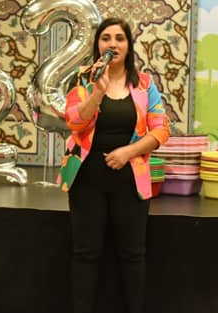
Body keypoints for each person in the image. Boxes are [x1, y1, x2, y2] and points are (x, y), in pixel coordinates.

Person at [57, 17, 170, 313]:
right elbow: (74, 122)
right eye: (106, 38)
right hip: (87, 178)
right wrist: (97, 91)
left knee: (132, 254)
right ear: (98, 44)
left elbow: (161, 130)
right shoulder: (83, 79)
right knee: (85, 253)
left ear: (129, 45)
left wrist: (128, 152)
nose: (112, 44)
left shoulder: (144, 83)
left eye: (120, 38)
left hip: (130, 179)